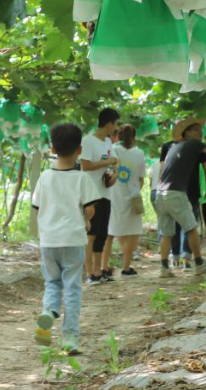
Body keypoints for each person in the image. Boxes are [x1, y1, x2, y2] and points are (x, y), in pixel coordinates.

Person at [30, 123, 98, 354]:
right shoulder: (82, 178)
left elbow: (37, 208)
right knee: (72, 288)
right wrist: (86, 220)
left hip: (49, 241)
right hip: (73, 239)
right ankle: (69, 339)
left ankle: (49, 311)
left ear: (52, 149)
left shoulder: (45, 178)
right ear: (79, 150)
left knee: (52, 282)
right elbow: (90, 210)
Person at [154, 119, 206, 277]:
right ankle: (199, 263)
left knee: (167, 233)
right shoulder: (194, 144)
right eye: (196, 129)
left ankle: (164, 268)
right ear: (186, 133)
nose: (200, 132)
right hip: (175, 193)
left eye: (200, 130)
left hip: (160, 193)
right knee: (191, 228)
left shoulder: (173, 147)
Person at [78, 107, 120, 284]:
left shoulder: (108, 143)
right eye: (115, 124)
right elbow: (85, 166)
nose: (116, 128)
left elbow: (115, 163)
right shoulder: (88, 141)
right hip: (91, 193)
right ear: (109, 123)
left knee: (102, 233)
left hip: (106, 192)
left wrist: (114, 176)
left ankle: (98, 271)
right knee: (91, 234)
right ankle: (89, 273)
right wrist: (108, 162)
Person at [107, 125, 146, 276]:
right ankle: (126, 267)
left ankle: (105, 266)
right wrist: (135, 189)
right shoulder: (139, 153)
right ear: (134, 136)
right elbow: (141, 179)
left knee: (116, 229)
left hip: (115, 193)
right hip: (133, 196)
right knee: (133, 232)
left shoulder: (113, 149)